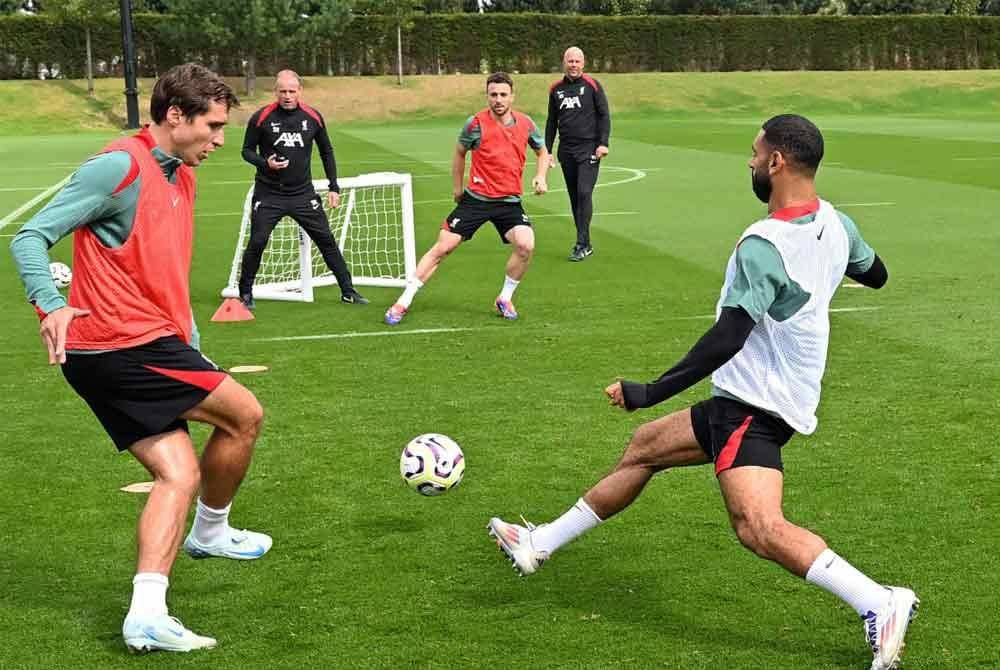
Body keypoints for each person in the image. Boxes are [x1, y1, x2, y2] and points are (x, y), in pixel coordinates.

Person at [488, 115, 918, 670]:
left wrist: (651, 389)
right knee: (645, 447)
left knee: (758, 528)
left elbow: (727, 339)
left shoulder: (764, 245)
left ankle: (880, 602)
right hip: (759, 397)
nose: (750, 161)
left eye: (755, 152)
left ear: (778, 163)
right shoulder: (837, 224)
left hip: (756, 404)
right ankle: (538, 544)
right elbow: (875, 274)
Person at [10, 63, 272, 654]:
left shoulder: (181, 174)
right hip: (120, 344)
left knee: (178, 474)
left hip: (145, 343)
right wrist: (49, 303)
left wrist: (192, 339)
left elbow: (164, 276)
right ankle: (212, 532)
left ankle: (146, 614)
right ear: (174, 116)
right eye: (212, 125)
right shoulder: (119, 166)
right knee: (244, 415)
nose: (220, 140)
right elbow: (29, 237)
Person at [384, 72, 549, 325]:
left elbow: (542, 151)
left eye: (503, 94)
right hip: (476, 199)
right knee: (443, 247)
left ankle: (504, 298)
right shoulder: (475, 124)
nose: (498, 99)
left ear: (512, 96)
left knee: (526, 245)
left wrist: (540, 176)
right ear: (487, 96)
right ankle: (403, 301)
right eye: (493, 94)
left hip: (509, 202)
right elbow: (460, 153)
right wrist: (457, 188)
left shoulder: (526, 124)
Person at [238, 69, 367, 309]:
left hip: (302, 194)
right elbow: (246, 151)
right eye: (282, 91)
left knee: (326, 240)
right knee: (257, 241)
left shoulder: (312, 117)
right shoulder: (261, 117)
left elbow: (326, 151)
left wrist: (333, 186)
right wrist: (265, 163)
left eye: (291, 91)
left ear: (300, 91)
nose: (287, 96)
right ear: (275, 91)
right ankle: (245, 294)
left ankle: (348, 291)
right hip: (269, 194)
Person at [544, 46, 611, 262]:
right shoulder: (556, 89)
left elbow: (604, 115)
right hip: (567, 151)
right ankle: (586, 242)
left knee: (584, 193)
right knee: (575, 199)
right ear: (564, 63)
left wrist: (603, 143)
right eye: (570, 61)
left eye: (577, 61)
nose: (573, 65)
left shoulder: (592, 85)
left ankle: (581, 244)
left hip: (589, 149)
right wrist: (547, 150)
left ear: (583, 63)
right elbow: (551, 122)